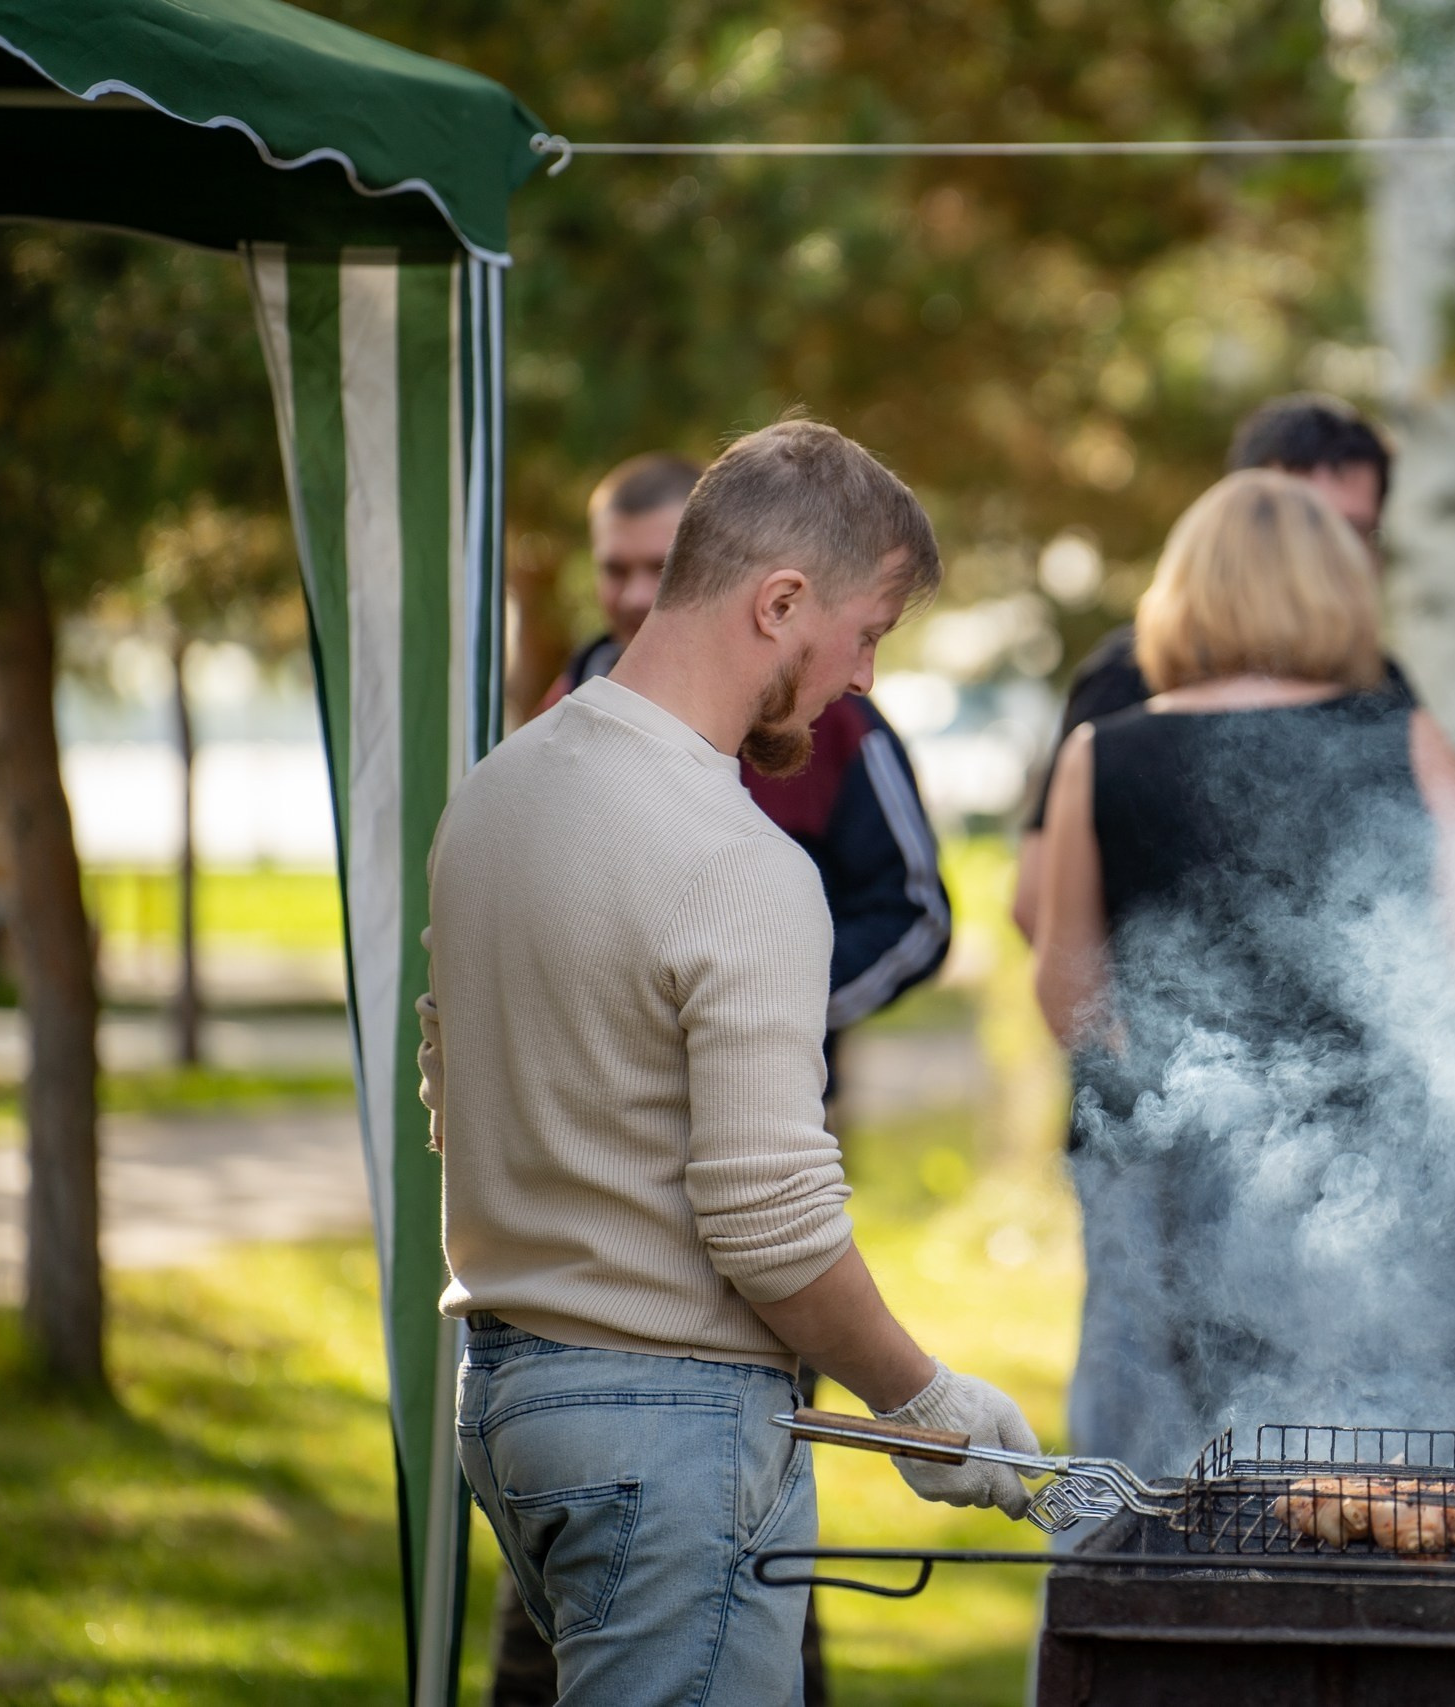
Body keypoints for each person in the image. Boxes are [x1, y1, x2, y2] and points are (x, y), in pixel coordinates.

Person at [422, 420, 1040, 1706]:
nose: (863, 676)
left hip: (509, 1402)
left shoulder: (494, 791)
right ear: (779, 602)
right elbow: (767, 1224)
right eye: (867, 631)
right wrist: (921, 1402)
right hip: (668, 1431)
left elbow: (452, 1087)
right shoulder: (743, 864)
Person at [1030, 470, 1455, 1470]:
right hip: (1413, 1181)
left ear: (1185, 591)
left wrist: (1176, 1096)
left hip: (1205, 1193)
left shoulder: (1102, 755)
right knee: (1406, 1487)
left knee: (1236, 1491)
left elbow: (1069, 999)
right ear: (1338, 590)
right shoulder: (1404, 738)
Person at [537, 452, 950, 1097]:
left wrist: (768, 1012)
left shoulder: (832, 718)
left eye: (661, 567)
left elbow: (915, 914)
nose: (637, 594)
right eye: (615, 569)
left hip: (769, 1099)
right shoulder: (549, 720)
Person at [1011, 394, 1409, 941]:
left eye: (1356, 531)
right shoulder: (1128, 674)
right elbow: (1038, 906)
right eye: (1308, 524)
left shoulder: (1382, 681)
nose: (1331, 554)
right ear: (1236, 518)